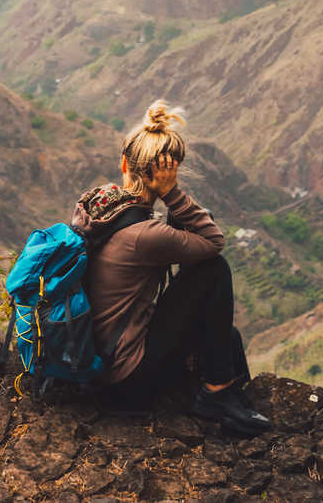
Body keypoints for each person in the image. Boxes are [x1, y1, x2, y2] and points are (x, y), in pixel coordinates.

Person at [71, 100, 269, 435]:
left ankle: (228, 398)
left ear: (123, 162)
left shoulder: (100, 206)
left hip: (96, 362)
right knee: (214, 270)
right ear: (169, 172)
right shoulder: (146, 236)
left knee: (226, 338)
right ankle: (218, 393)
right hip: (126, 378)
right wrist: (171, 193)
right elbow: (211, 242)